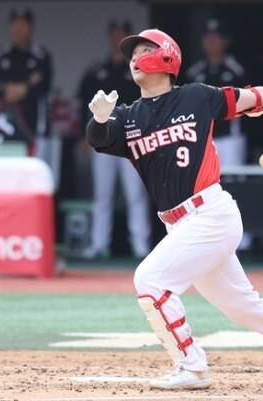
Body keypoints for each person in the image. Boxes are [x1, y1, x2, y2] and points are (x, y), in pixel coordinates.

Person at [86, 28, 263, 390]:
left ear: (166, 57)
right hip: (179, 225)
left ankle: (192, 366)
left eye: (144, 49)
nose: (135, 58)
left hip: (210, 214)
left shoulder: (196, 97)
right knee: (243, 306)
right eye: (133, 53)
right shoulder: (127, 117)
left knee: (150, 280)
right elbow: (99, 139)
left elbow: (254, 98)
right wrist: (99, 119)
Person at [78, 20, 151, 259]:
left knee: (135, 194)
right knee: (102, 194)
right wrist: (84, 135)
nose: (117, 39)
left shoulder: (139, 69)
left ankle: (140, 243)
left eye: (122, 35)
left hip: (133, 137)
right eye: (114, 34)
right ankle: (99, 243)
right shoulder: (97, 70)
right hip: (104, 137)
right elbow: (84, 105)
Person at [0, 7, 53, 160]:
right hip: (3, 128)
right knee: (3, 170)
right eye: (15, 24)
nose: (18, 29)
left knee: (35, 171)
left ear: (31, 28)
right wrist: (24, 86)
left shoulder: (41, 56)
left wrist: (21, 89)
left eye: (23, 24)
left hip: (35, 127)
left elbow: (43, 87)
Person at [185, 19, 247, 166]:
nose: (211, 42)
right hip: (203, 137)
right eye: (207, 38)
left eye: (216, 37)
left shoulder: (237, 71)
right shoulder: (194, 72)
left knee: (232, 177)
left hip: (230, 137)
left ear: (225, 41)